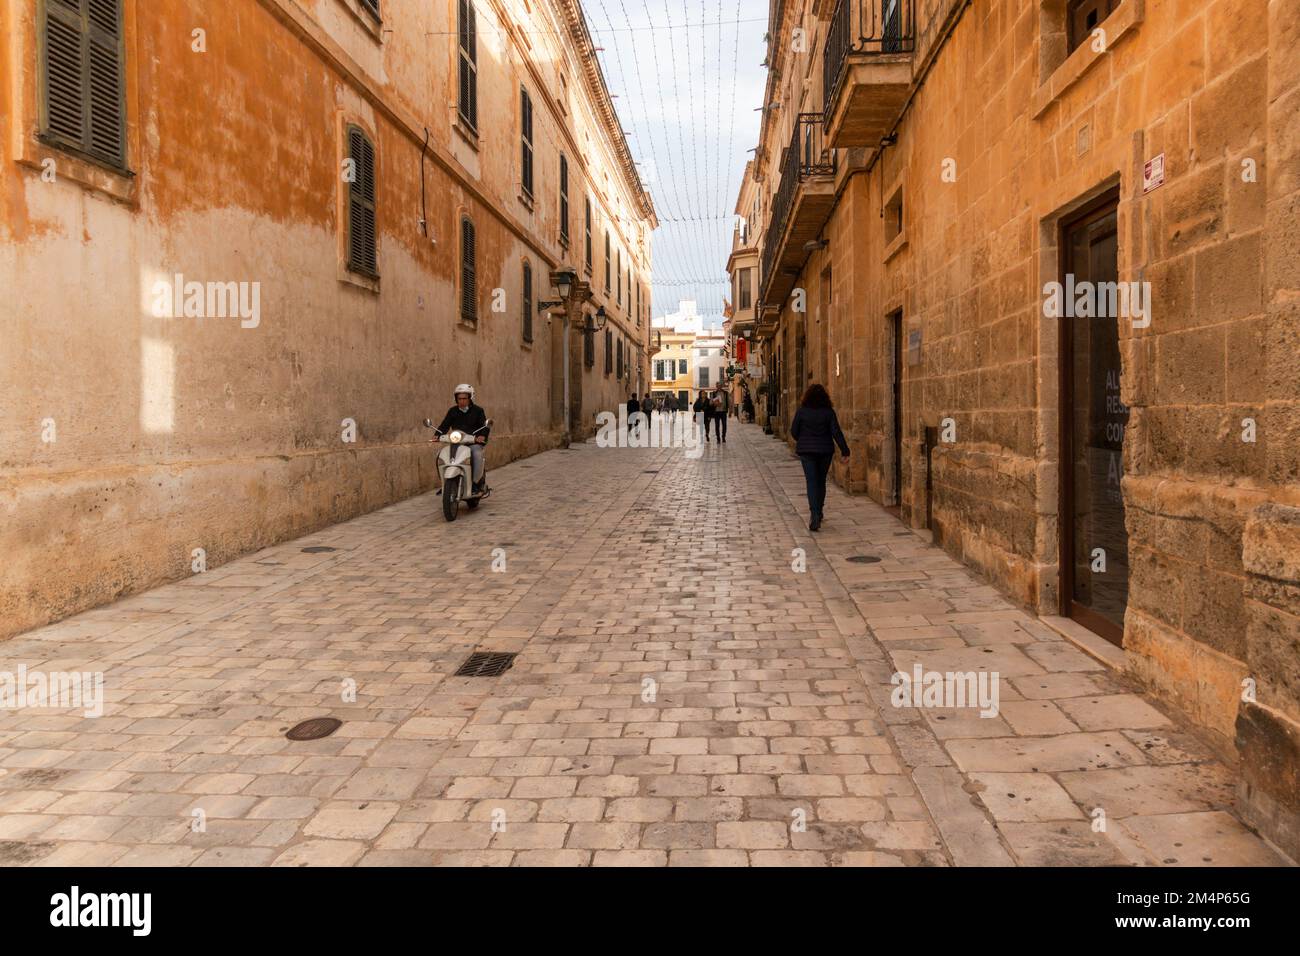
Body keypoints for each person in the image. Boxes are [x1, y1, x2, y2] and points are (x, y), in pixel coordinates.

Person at [791, 383, 850, 532]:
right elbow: (836, 432)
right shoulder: (828, 412)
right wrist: (845, 450)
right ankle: (820, 511)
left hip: (807, 452)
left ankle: (814, 514)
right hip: (825, 451)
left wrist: (803, 440)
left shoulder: (802, 412)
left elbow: (794, 431)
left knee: (811, 482)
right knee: (821, 481)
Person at [434, 383, 491, 493]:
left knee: (477, 454)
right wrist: (437, 434)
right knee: (441, 455)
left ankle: (475, 484)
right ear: (456, 398)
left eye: (464, 398)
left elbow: (485, 426)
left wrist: (482, 436)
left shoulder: (478, 411)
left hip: (473, 442)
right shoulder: (452, 411)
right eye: (459, 398)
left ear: (470, 398)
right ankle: (447, 484)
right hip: (457, 442)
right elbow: (445, 425)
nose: (461, 401)